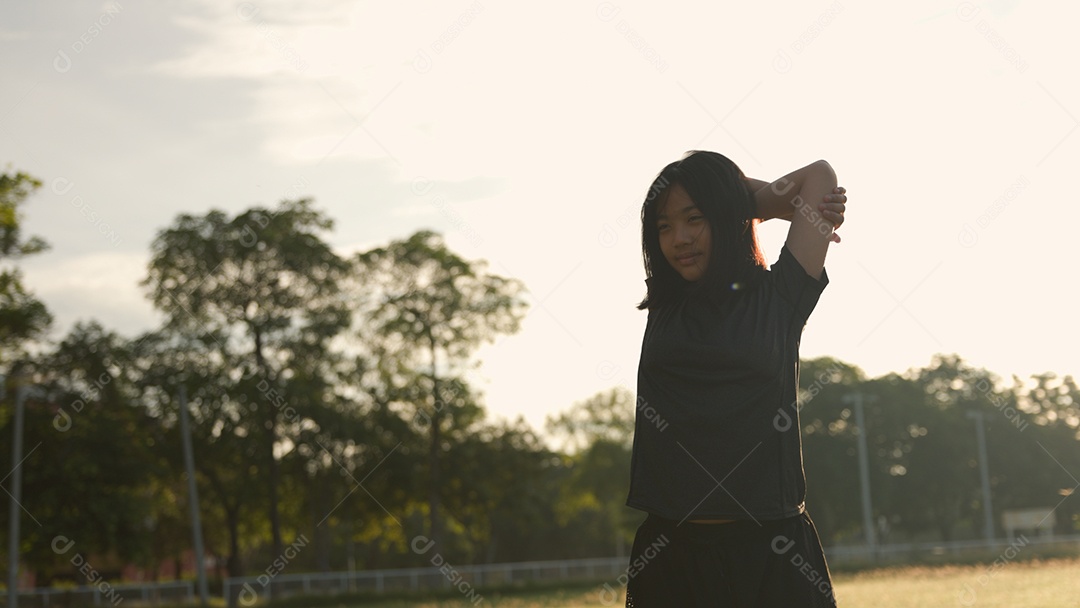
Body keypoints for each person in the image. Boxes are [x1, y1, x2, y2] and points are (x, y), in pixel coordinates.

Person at [623, 151, 846, 607]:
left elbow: (818, 177)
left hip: (773, 554)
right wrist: (730, 205)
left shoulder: (782, 296)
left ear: (725, 218)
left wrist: (751, 205)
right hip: (671, 556)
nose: (679, 239)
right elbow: (801, 195)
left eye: (694, 219)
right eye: (664, 227)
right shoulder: (665, 302)